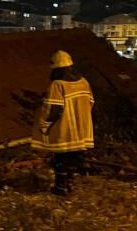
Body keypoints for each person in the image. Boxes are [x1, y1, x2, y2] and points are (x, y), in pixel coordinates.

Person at [31, 50, 95, 196]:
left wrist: (44, 125)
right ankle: (70, 185)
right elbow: (91, 102)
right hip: (82, 130)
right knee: (73, 159)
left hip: (65, 131)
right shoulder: (84, 82)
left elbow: (54, 109)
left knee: (60, 160)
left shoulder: (57, 85)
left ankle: (61, 188)